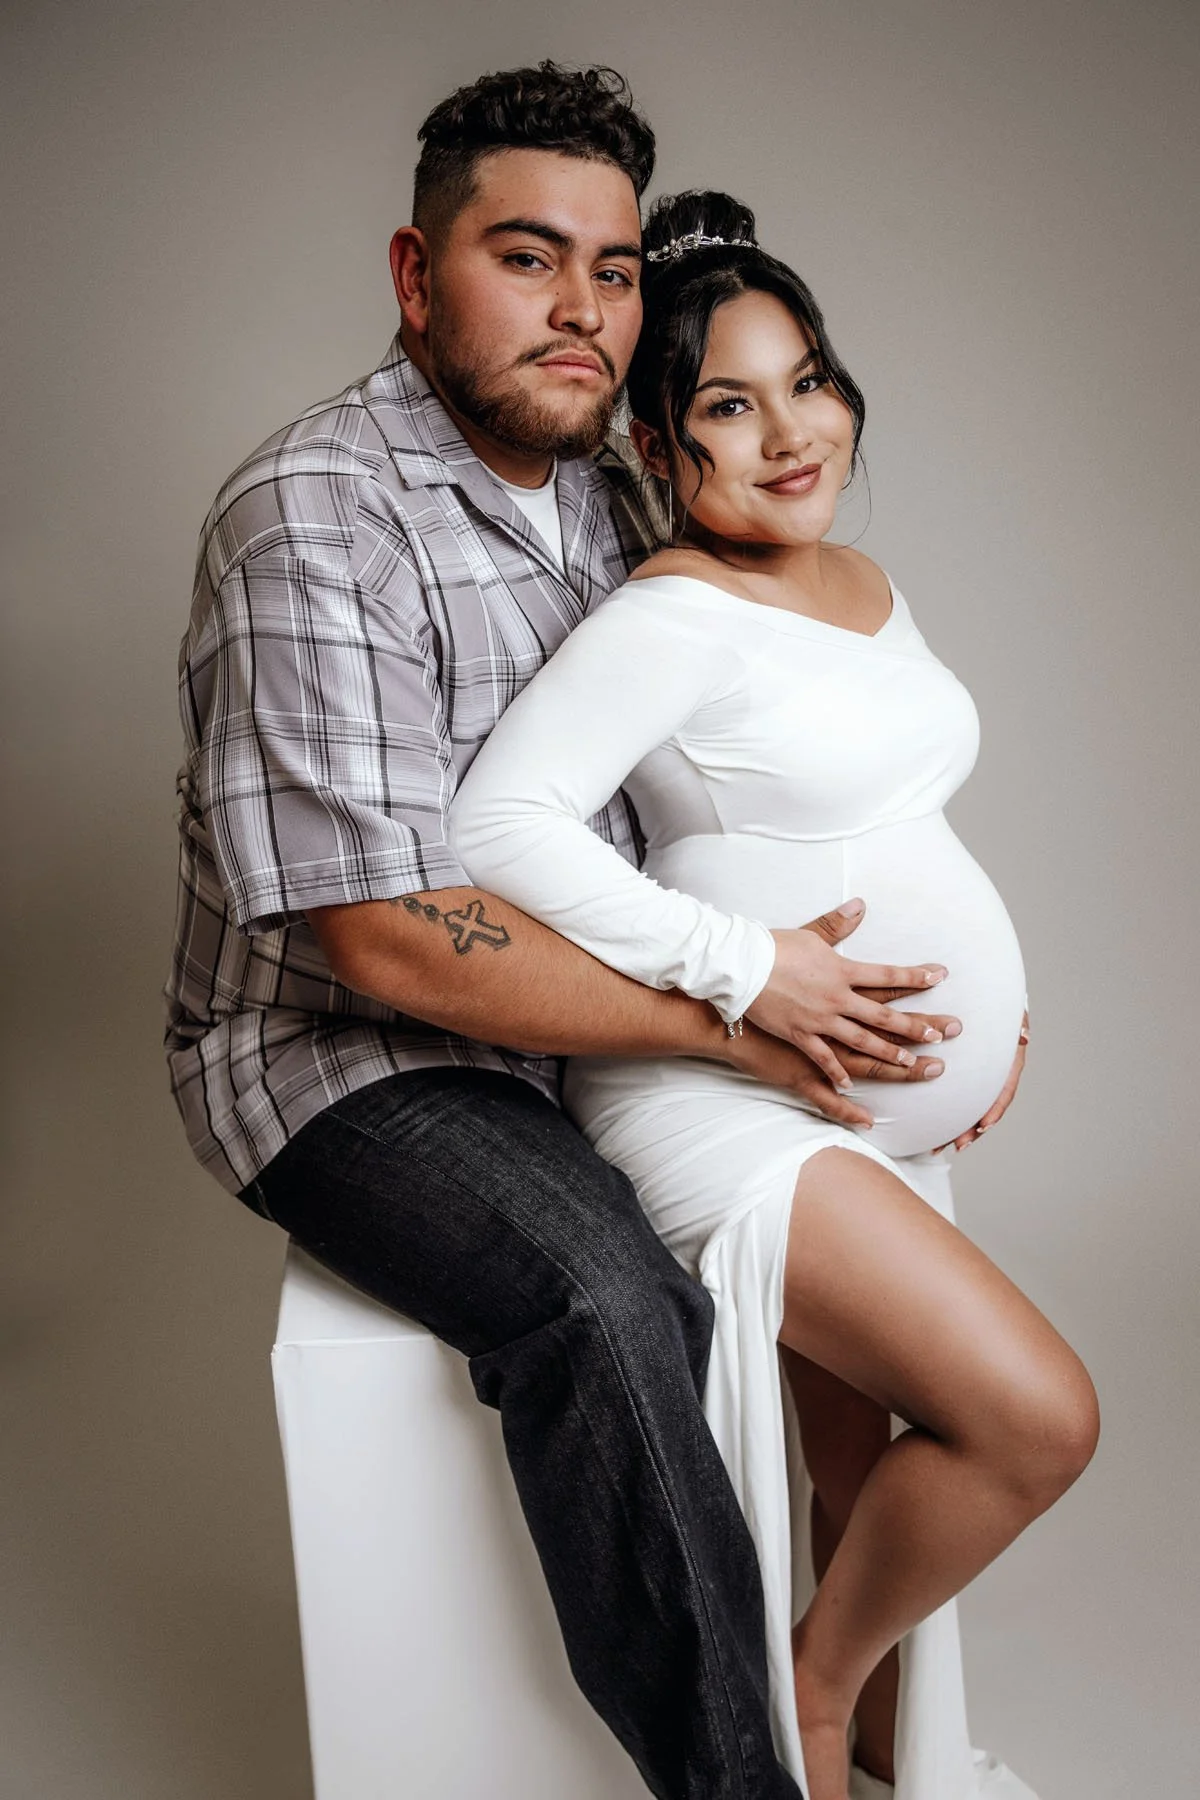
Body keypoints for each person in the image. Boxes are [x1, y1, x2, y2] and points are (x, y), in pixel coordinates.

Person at [165, 67, 959, 1800]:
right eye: (527, 258)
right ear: (413, 272)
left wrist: (943, 984)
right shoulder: (312, 514)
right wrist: (741, 1014)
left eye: (610, 270)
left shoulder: (614, 494)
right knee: (615, 1308)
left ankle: (879, 1725)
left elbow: (768, 729)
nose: (582, 310)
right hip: (355, 1060)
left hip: (582, 1030)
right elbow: (377, 939)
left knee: (849, 1253)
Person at [449, 189, 1100, 1800]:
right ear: (662, 449)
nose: (791, 432)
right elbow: (492, 828)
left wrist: (990, 1013)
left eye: (807, 379)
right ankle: (811, 1696)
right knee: (1032, 1419)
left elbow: (893, 811)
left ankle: (884, 1734)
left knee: (855, 1453)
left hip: (861, 1101)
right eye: (729, 405)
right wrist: (741, 971)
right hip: (727, 1101)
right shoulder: (668, 615)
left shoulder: (856, 576)